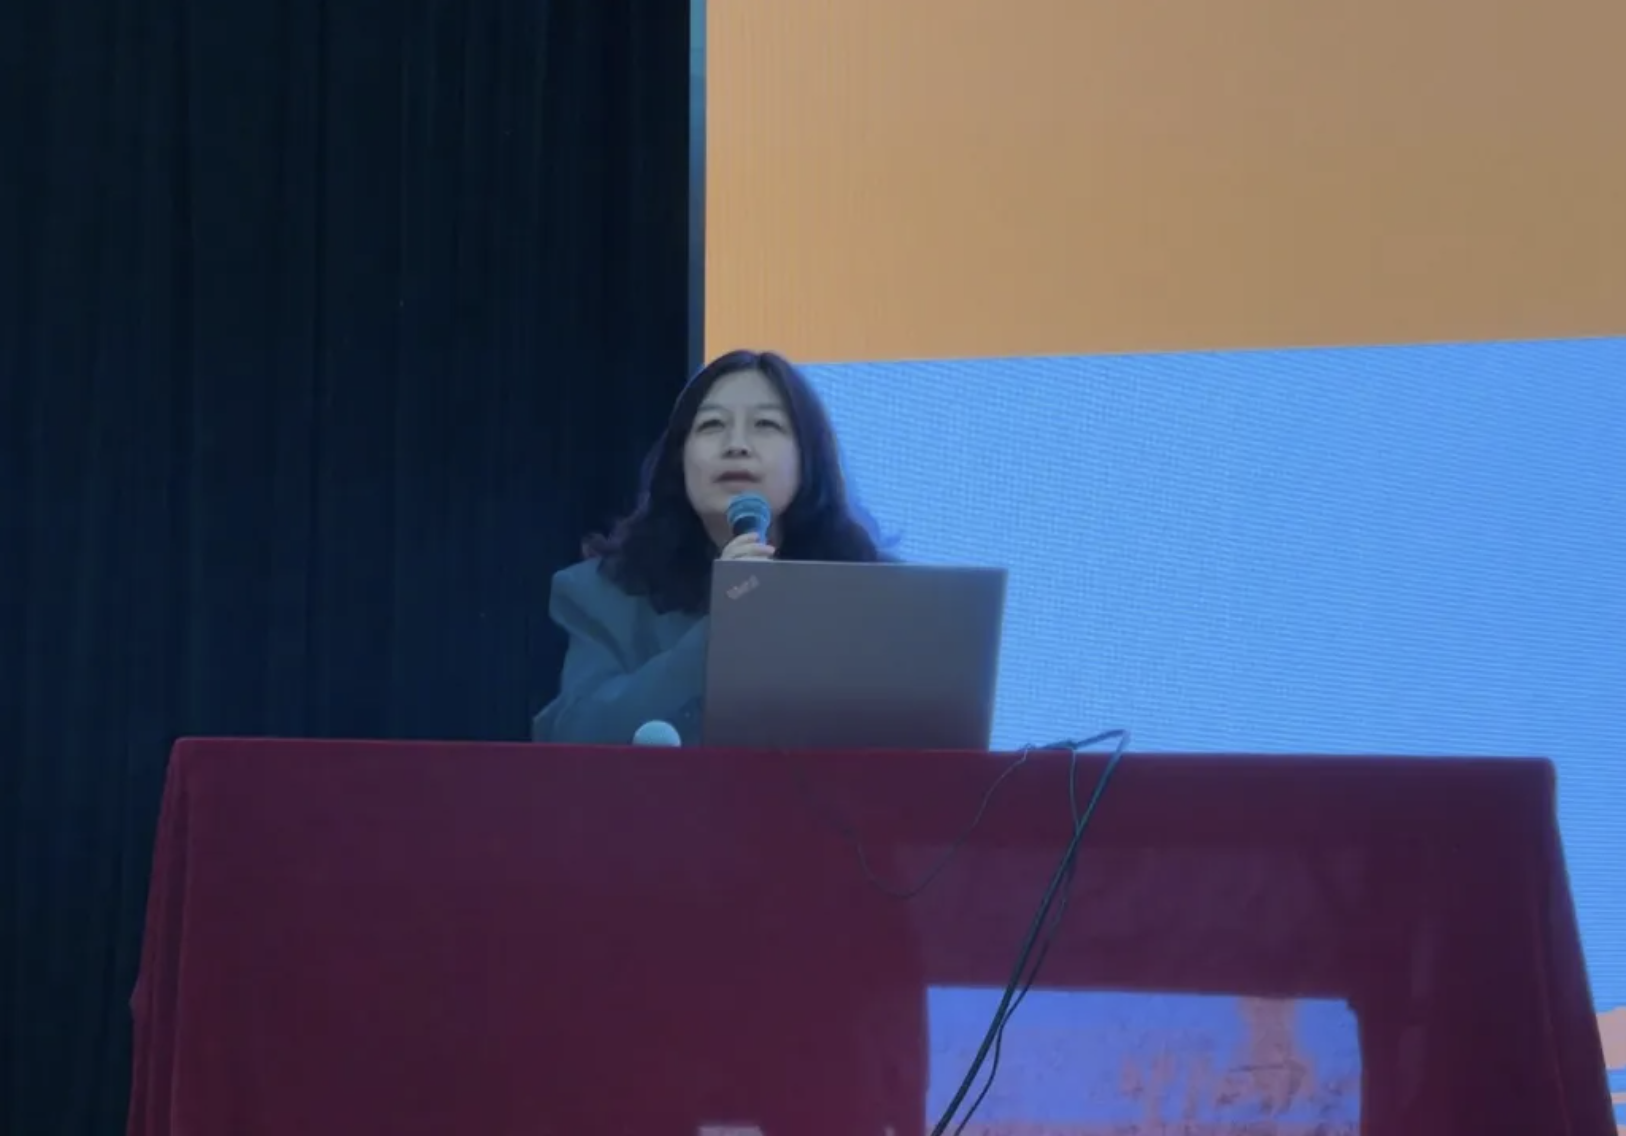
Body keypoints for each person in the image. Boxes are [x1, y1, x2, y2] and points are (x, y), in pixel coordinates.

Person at [532, 349, 888, 746]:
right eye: (712, 425)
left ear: (809, 458)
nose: (736, 445)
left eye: (766, 424)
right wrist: (717, 632)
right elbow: (574, 734)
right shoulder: (603, 592)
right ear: (680, 458)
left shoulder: (877, 592)